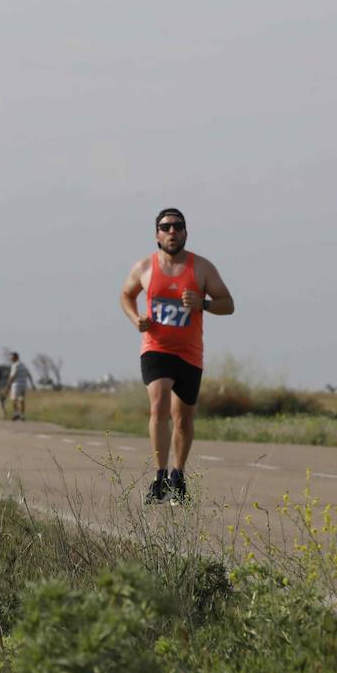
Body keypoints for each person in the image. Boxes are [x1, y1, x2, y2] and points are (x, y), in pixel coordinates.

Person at [119, 208, 235, 505]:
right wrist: (135, 319)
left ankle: (177, 477)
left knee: (182, 418)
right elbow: (125, 295)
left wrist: (203, 303)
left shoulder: (202, 268)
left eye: (177, 226)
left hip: (189, 352)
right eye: (165, 227)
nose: (172, 231)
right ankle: (159, 477)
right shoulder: (145, 267)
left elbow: (228, 304)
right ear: (157, 234)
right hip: (156, 348)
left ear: (185, 232)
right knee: (158, 404)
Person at [5, 352, 35, 420]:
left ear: (16, 357)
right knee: (22, 400)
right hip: (24, 384)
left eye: (12, 357)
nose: (11, 359)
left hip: (16, 384)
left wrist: (7, 386)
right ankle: (22, 415)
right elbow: (29, 374)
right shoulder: (23, 365)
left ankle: (16, 413)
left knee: (13, 399)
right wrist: (32, 384)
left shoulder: (15, 365)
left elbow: (12, 376)